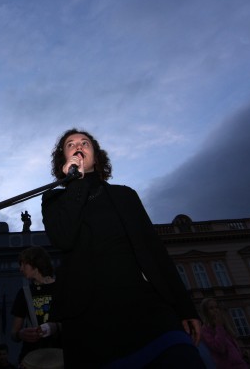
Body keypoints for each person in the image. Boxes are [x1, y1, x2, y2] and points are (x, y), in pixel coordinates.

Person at [41, 128, 205, 368]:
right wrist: (76, 182)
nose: (78, 146)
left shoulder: (125, 195)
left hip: (147, 310)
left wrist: (185, 308)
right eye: (70, 145)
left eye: (85, 143)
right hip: (90, 323)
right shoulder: (54, 200)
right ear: (63, 160)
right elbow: (63, 238)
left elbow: (155, 250)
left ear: (96, 157)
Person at [11, 246, 61, 364]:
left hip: (59, 354)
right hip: (32, 355)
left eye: (23, 264)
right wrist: (20, 334)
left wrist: (56, 327)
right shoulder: (24, 293)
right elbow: (13, 333)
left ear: (35, 264)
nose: (20, 269)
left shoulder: (61, 288)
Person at [200, 298, 250, 369]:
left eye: (216, 307)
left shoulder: (225, 326)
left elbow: (231, 347)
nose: (215, 310)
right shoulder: (205, 330)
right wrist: (219, 327)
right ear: (206, 312)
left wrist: (242, 352)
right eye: (211, 308)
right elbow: (219, 348)